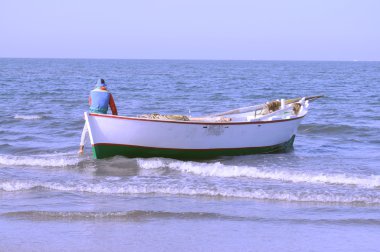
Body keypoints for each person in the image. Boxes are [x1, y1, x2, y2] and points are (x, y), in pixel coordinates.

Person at [78, 79, 118, 154]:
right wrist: (115, 118)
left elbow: (90, 104)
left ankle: (81, 149)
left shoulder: (91, 92)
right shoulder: (108, 94)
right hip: (102, 116)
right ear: (104, 86)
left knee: (85, 131)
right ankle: (106, 146)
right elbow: (113, 108)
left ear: (97, 85)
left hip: (92, 115)